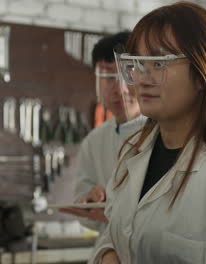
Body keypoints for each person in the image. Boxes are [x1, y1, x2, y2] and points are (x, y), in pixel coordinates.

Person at [92, 2, 206, 264]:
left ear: (202, 74)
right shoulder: (133, 154)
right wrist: (108, 253)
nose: (142, 78)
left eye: (158, 63)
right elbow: (116, 231)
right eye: (138, 63)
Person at [60, 32, 145, 232]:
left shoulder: (167, 133)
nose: (120, 89)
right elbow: (83, 206)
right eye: (108, 77)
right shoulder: (94, 141)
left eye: (128, 74)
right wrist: (90, 202)